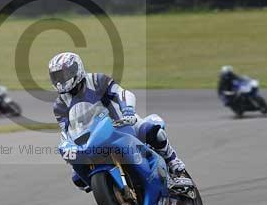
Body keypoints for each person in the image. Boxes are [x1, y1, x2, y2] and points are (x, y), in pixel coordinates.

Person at [48, 52, 194, 193]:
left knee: (153, 131)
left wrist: (128, 111)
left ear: (76, 69)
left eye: (64, 74)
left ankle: (174, 165)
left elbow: (122, 93)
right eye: (56, 77)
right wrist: (71, 154)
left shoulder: (96, 80)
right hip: (92, 139)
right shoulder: (59, 105)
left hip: (121, 123)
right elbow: (66, 131)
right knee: (77, 178)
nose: (60, 80)